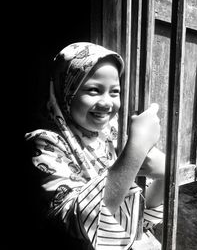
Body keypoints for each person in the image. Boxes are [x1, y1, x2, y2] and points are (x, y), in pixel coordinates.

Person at [24, 42, 165, 250]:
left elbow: (137, 217)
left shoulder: (111, 135)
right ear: (67, 90)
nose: (107, 102)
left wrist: (165, 174)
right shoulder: (44, 143)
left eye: (114, 92)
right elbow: (78, 222)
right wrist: (136, 147)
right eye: (94, 90)